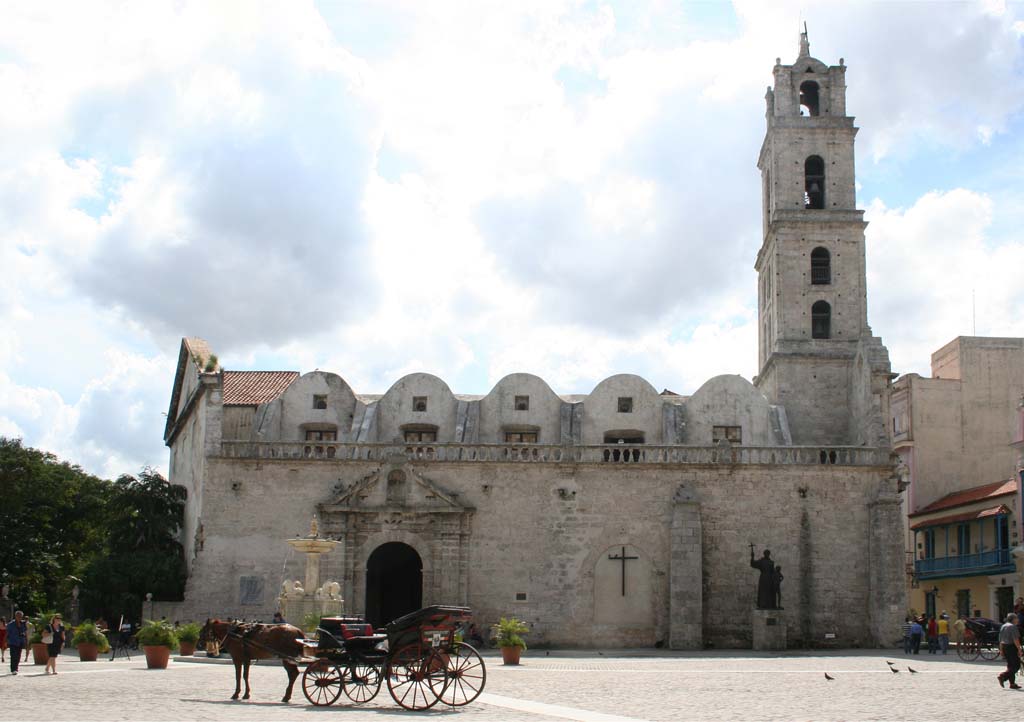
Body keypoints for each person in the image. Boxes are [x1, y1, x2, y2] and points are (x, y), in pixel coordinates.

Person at [998, 612, 1023, 689]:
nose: (1018, 620)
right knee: (1016, 665)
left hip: (1005, 647)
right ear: (1013, 619)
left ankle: (1012, 683)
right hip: (1011, 647)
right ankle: (1003, 676)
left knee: (1010, 665)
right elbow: (1015, 639)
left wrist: (1001, 650)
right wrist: (1019, 649)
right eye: (1016, 618)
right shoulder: (1013, 627)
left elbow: (1000, 639)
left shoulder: (1003, 626)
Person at [6, 611, 28, 675]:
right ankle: (13, 669)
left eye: (21, 616)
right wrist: (5, 642)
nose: (19, 618)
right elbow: (7, 634)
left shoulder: (23, 623)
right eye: (18, 616)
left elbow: (25, 632)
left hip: (20, 642)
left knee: (18, 656)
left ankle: (16, 668)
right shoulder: (10, 624)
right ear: (15, 616)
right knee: (13, 656)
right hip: (13, 642)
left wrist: (27, 641)